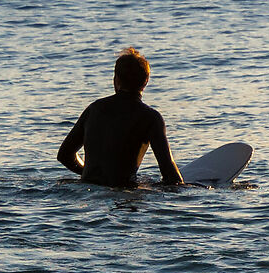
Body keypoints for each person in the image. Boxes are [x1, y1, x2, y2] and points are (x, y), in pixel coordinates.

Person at [57, 47, 183, 190]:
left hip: (88, 188)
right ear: (146, 81)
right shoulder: (150, 117)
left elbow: (65, 155)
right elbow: (168, 172)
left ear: (116, 79)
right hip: (122, 190)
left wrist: (89, 174)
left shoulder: (94, 109)